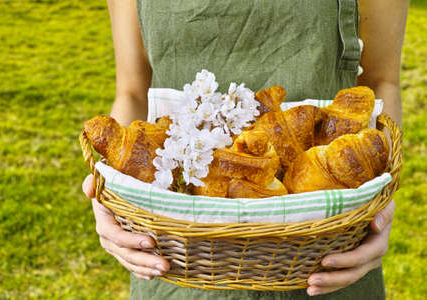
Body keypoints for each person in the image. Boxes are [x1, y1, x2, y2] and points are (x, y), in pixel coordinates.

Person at [82, 0, 408, 298]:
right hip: (176, 258)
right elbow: (133, 91)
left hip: (329, 254)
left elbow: (382, 82)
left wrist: (379, 200)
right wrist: (113, 193)